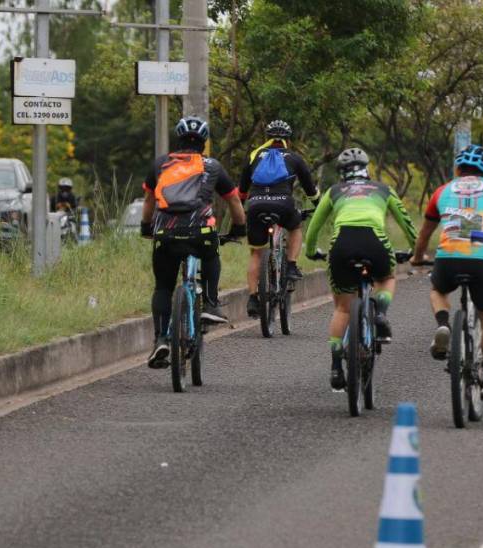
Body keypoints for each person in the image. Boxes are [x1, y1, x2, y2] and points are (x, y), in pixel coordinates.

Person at [410, 145, 483, 400]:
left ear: (457, 169)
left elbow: (425, 232)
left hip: (448, 257)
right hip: (482, 258)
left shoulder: (442, 191)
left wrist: (418, 258)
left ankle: (443, 325)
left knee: (438, 291)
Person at [304, 148, 417, 390]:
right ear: (367, 168)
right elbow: (405, 222)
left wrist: (311, 251)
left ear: (342, 172)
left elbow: (313, 227)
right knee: (387, 276)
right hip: (374, 242)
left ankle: (336, 366)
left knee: (342, 309)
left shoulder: (334, 191)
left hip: (341, 245)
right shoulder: (383, 189)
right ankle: (380, 313)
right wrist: (416, 249)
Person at [142, 116, 247, 369]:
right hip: (201, 231)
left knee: (164, 288)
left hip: (165, 234)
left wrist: (146, 228)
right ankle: (211, 302)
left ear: (179, 140)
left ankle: (161, 339)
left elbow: (148, 201)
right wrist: (239, 229)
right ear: (204, 142)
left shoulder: (160, 164)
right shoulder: (212, 166)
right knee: (211, 255)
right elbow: (234, 201)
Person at [239, 120, 320, 318]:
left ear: (267, 139)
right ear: (288, 141)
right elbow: (310, 189)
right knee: (295, 226)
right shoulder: (294, 157)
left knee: (256, 254)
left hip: (256, 205)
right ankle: (291, 265)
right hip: (284, 205)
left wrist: (242, 207)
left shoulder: (255, 156)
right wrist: (318, 205)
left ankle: (252, 297)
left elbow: (241, 189)